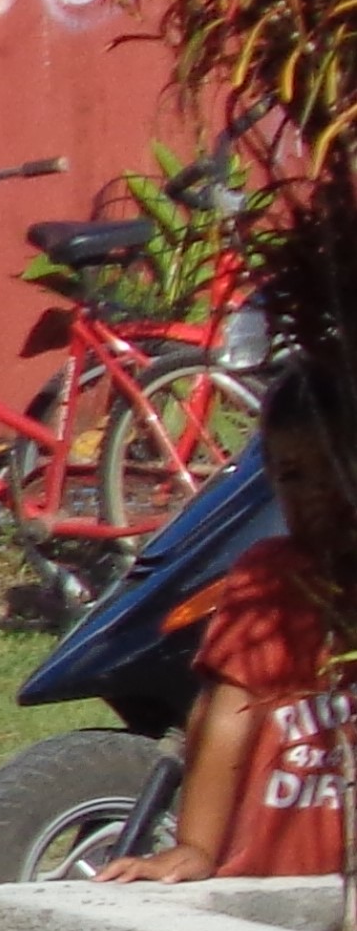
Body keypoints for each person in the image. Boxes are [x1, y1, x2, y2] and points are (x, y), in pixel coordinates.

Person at [103, 375, 349, 887]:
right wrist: (195, 848)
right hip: (274, 874)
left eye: (335, 473)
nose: (313, 496)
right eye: (293, 475)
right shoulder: (271, 581)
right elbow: (224, 718)